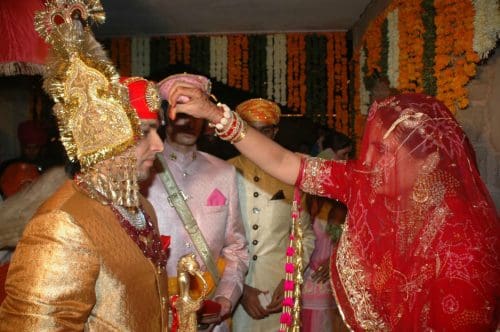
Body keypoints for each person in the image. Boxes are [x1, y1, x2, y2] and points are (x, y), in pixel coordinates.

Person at [164, 82, 500, 331]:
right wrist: (213, 113)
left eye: (383, 152)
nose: (367, 160)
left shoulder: (463, 242)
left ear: (428, 161)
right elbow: (285, 162)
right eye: (370, 147)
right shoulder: (368, 181)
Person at [0, 3, 169, 330]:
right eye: (146, 133)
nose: (159, 145)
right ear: (106, 134)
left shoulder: (141, 206)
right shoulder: (61, 225)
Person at [143, 73, 248, 331]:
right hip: (156, 313)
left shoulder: (224, 172)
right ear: (165, 115)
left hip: (211, 316)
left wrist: (225, 298)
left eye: (196, 114)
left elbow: (236, 249)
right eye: (182, 112)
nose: (189, 123)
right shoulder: (143, 170)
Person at [227, 99, 315, 332]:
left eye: (265, 131)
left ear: (275, 132)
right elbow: (209, 242)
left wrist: (291, 278)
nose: (258, 139)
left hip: (279, 293)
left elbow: (304, 235)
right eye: (251, 131)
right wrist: (241, 289)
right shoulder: (222, 172)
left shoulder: (291, 175)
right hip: (231, 295)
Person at [301, 131, 352, 332]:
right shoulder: (311, 200)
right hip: (310, 282)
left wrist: (335, 260)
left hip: (335, 285)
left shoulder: (345, 199)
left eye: (349, 155)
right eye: (344, 155)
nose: (347, 161)